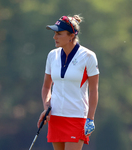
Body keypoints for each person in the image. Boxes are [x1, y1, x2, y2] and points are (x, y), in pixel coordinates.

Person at [37, 14, 99, 150]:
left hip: (76, 117)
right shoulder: (52, 55)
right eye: (54, 33)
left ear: (71, 35)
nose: (54, 37)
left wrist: (90, 118)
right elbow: (46, 87)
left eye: (59, 34)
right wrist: (47, 106)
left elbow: (94, 90)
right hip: (56, 117)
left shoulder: (88, 56)